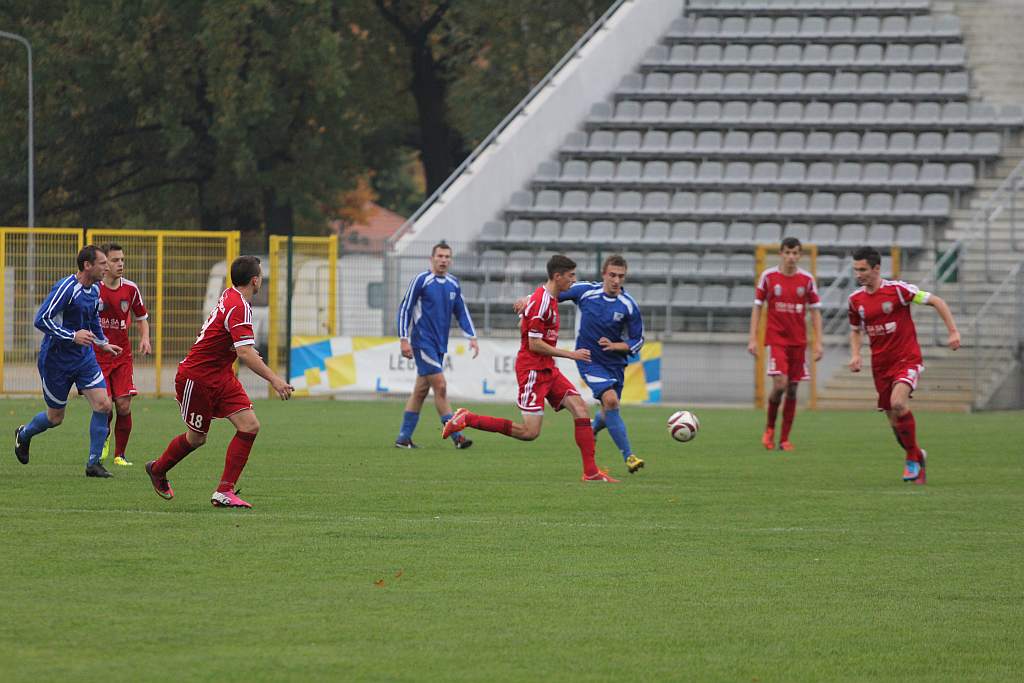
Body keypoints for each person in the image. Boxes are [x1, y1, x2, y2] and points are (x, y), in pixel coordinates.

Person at [442, 254, 619, 482]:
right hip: (533, 370)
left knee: (580, 408)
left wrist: (526, 312)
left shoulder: (548, 297)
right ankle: (467, 418)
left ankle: (591, 472)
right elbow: (535, 344)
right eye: (570, 276)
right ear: (557, 276)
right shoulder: (542, 302)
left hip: (547, 368)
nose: (573, 281)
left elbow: (523, 324)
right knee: (529, 433)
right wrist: (570, 354)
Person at [143, 256, 294, 508]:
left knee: (249, 426)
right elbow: (244, 352)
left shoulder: (231, 295)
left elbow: (233, 342)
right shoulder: (240, 306)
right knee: (196, 439)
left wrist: (243, 350)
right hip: (198, 377)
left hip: (221, 375)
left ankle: (225, 491)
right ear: (256, 280)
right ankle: (157, 469)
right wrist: (275, 380)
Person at [516, 254, 645, 473]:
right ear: (603, 274)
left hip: (615, 365)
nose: (616, 280)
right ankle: (629, 456)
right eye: (612, 275)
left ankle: (592, 428)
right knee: (611, 401)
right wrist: (528, 298)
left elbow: (638, 340)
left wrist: (616, 346)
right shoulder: (587, 291)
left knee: (608, 411)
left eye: (620, 276)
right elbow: (553, 291)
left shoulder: (628, 305)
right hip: (589, 360)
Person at [847, 246, 961, 484]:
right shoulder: (855, 300)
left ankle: (911, 458)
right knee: (894, 423)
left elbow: (936, 301)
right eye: (855, 269)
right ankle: (918, 455)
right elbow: (855, 329)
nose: (858, 274)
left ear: (876, 268)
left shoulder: (898, 290)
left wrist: (952, 331)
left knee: (898, 403)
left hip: (906, 358)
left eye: (863, 269)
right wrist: (856, 355)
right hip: (881, 365)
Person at [14, 245, 123, 477]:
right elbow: (41, 320)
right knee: (55, 418)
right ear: (87, 265)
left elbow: (92, 319)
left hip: (84, 359)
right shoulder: (66, 289)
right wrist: (72, 336)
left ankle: (93, 464)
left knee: (104, 404)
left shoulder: (94, 290)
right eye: (103, 263)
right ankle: (23, 434)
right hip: (56, 362)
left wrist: (102, 342)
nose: (107, 268)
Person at [394, 242, 479, 449]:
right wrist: (404, 339)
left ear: (450, 260)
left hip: (440, 345)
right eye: (440, 256)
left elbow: (461, 311)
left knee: (421, 391)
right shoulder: (422, 280)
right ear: (432, 258)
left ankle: (403, 438)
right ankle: (457, 436)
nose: (443, 260)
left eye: (447, 256)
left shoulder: (453, 283)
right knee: (440, 386)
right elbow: (405, 309)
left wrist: (472, 337)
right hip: (423, 342)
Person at [747, 237, 823, 452]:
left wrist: (818, 342)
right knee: (780, 384)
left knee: (792, 389)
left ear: (800, 255)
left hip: (798, 342)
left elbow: (815, 311)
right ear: (781, 253)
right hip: (777, 339)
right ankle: (770, 428)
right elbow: (757, 307)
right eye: (787, 252)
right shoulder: (768, 277)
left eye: (795, 253)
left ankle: (784, 439)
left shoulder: (807, 280)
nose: (791, 257)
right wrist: (753, 337)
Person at [94, 242, 152, 467]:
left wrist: (145, 338)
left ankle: (120, 455)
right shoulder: (94, 288)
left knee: (124, 405)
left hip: (122, 356)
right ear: (104, 264)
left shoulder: (131, 289)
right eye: (115, 260)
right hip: (97, 357)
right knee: (105, 405)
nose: (120, 264)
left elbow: (141, 317)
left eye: (122, 260)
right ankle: (103, 440)